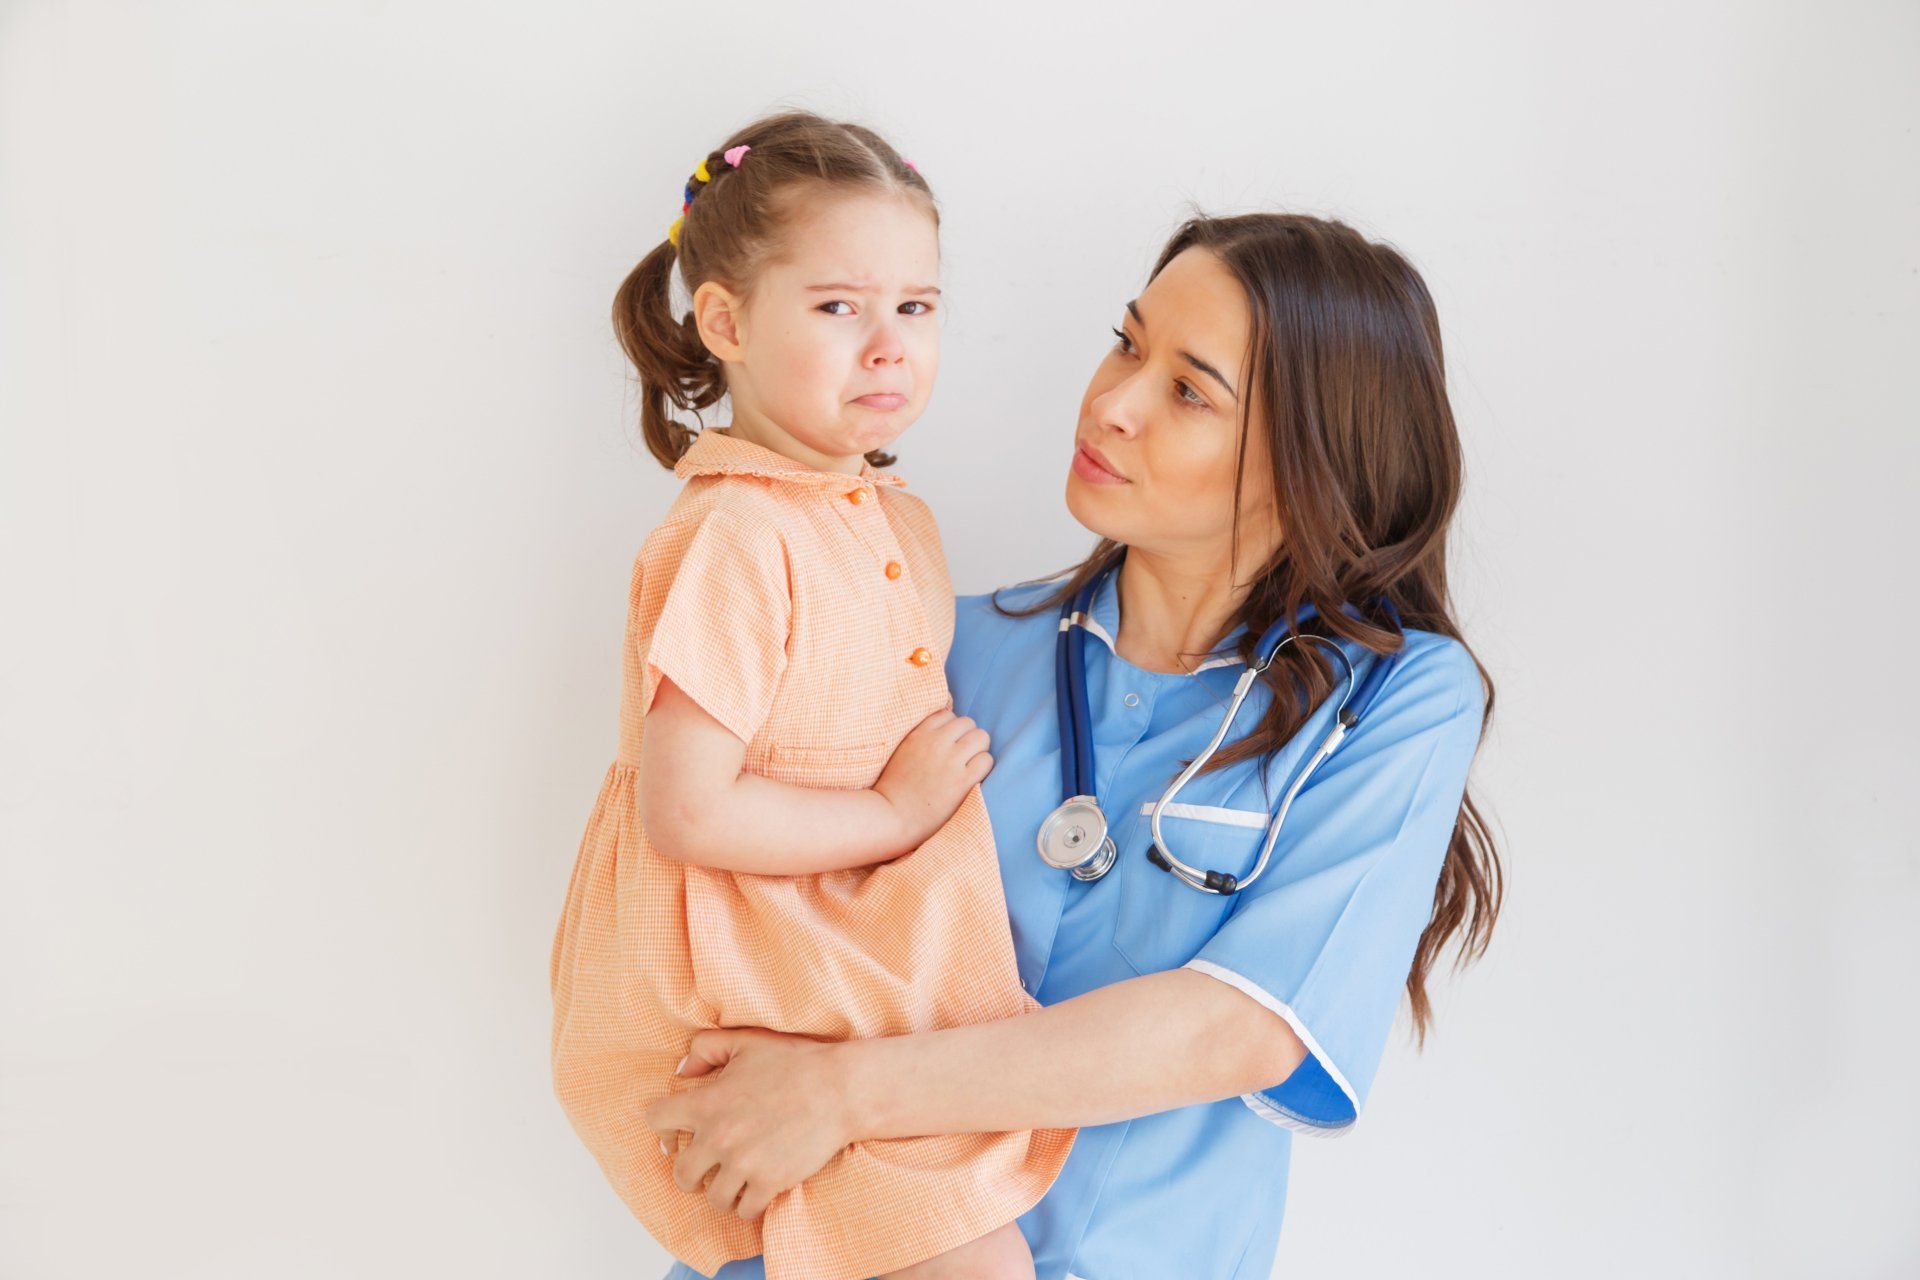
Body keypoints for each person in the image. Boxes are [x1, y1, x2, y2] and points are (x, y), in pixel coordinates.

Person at [647, 212, 1505, 1280]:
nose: (1111, 402)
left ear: (1309, 458)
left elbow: (1240, 1027)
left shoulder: (1394, 698)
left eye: (1189, 391)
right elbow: (748, 913)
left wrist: (840, 1091)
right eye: (1127, 343)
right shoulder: (936, 639)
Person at [547, 111, 1073, 1280]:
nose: (888, 345)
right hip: (757, 976)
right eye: (840, 307)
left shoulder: (896, 519)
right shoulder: (739, 531)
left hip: (848, 971)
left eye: (917, 308)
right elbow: (686, 808)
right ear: (725, 321)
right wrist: (893, 815)